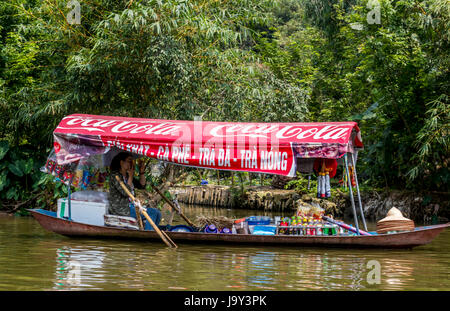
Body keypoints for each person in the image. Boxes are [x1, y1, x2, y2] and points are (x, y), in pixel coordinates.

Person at [108, 152, 161, 229]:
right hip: (120, 209)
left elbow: (142, 185)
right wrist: (130, 177)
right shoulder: (115, 176)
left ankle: (151, 232)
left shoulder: (127, 176)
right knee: (153, 212)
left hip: (131, 207)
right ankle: (148, 234)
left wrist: (141, 171)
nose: (132, 164)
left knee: (158, 213)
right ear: (122, 162)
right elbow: (125, 193)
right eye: (129, 161)